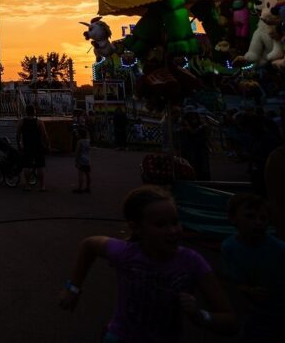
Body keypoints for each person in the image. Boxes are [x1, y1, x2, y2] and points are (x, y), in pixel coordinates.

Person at [59, 186, 237, 341]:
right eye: (160, 225)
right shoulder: (126, 253)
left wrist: (200, 316)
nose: (173, 231)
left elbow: (230, 321)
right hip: (120, 337)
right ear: (136, 228)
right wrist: (73, 288)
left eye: (175, 222)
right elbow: (89, 244)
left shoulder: (192, 262)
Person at [221, 193, 284, 340]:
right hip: (255, 315)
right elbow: (234, 281)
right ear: (232, 218)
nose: (258, 222)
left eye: (263, 218)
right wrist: (247, 290)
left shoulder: (280, 249)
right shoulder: (229, 247)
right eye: (250, 216)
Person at [17, 105, 49, 191]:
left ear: (26, 111)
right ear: (34, 111)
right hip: (38, 145)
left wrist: (19, 146)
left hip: (27, 145)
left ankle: (27, 185)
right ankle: (42, 186)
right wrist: (47, 144)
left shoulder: (21, 122)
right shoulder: (39, 122)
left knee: (27, 166)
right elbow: (45, 134)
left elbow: (18, 134)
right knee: (40, 166)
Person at [177, 108, 211, 181]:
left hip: (200, 144)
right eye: (190, 113)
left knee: (202, 162)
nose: (192, 115)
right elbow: (192, 132)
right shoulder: (185, 121)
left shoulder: (199, 121)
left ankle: (203, 178)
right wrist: (201, 127)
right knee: (193, 162)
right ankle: (195, 177)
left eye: (193, 113)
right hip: (190, 145)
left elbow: (205, 131)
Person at [73, 126, 92, 194]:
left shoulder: (79, 142)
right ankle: (88, 187)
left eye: (77, 133)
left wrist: (76, 161)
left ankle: (80, 188)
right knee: (88, 174)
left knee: (80, 174)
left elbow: (77, 152)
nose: (76, 134)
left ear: (80, 135)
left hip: (81, 159)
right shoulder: (88, 141)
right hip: (87, 159)